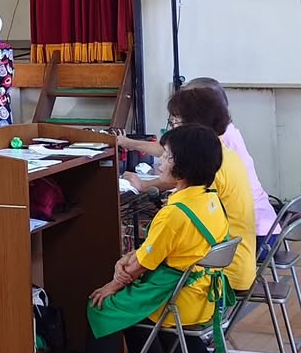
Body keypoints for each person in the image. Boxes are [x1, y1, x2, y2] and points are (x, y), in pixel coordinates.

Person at [75, 124, 233, 353]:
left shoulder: (173, 213)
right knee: (130, 305)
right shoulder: (212, 199)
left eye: (167, 156)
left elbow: (141, 265)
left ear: (183, 165)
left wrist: (114, 282)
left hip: (179, 300)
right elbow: (156, 251)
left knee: (102, 306)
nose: (160, 161)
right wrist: (130, 261)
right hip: (205, 296)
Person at [122, 85, 257, 353]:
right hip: (229, 259)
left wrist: (129, 264)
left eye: (176, 123)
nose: (172, 130)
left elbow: (178, 228)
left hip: (218, 273)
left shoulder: (209, 172)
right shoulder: (221, 155)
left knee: (135, 290)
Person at [119, 77, 278, 259]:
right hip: (248, 239)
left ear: (196, 118)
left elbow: (178, 182)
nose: (175, 128)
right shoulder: (221, 143)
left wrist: (145, 186)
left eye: (176, 122)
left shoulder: (212, 153)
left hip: (240, 248)